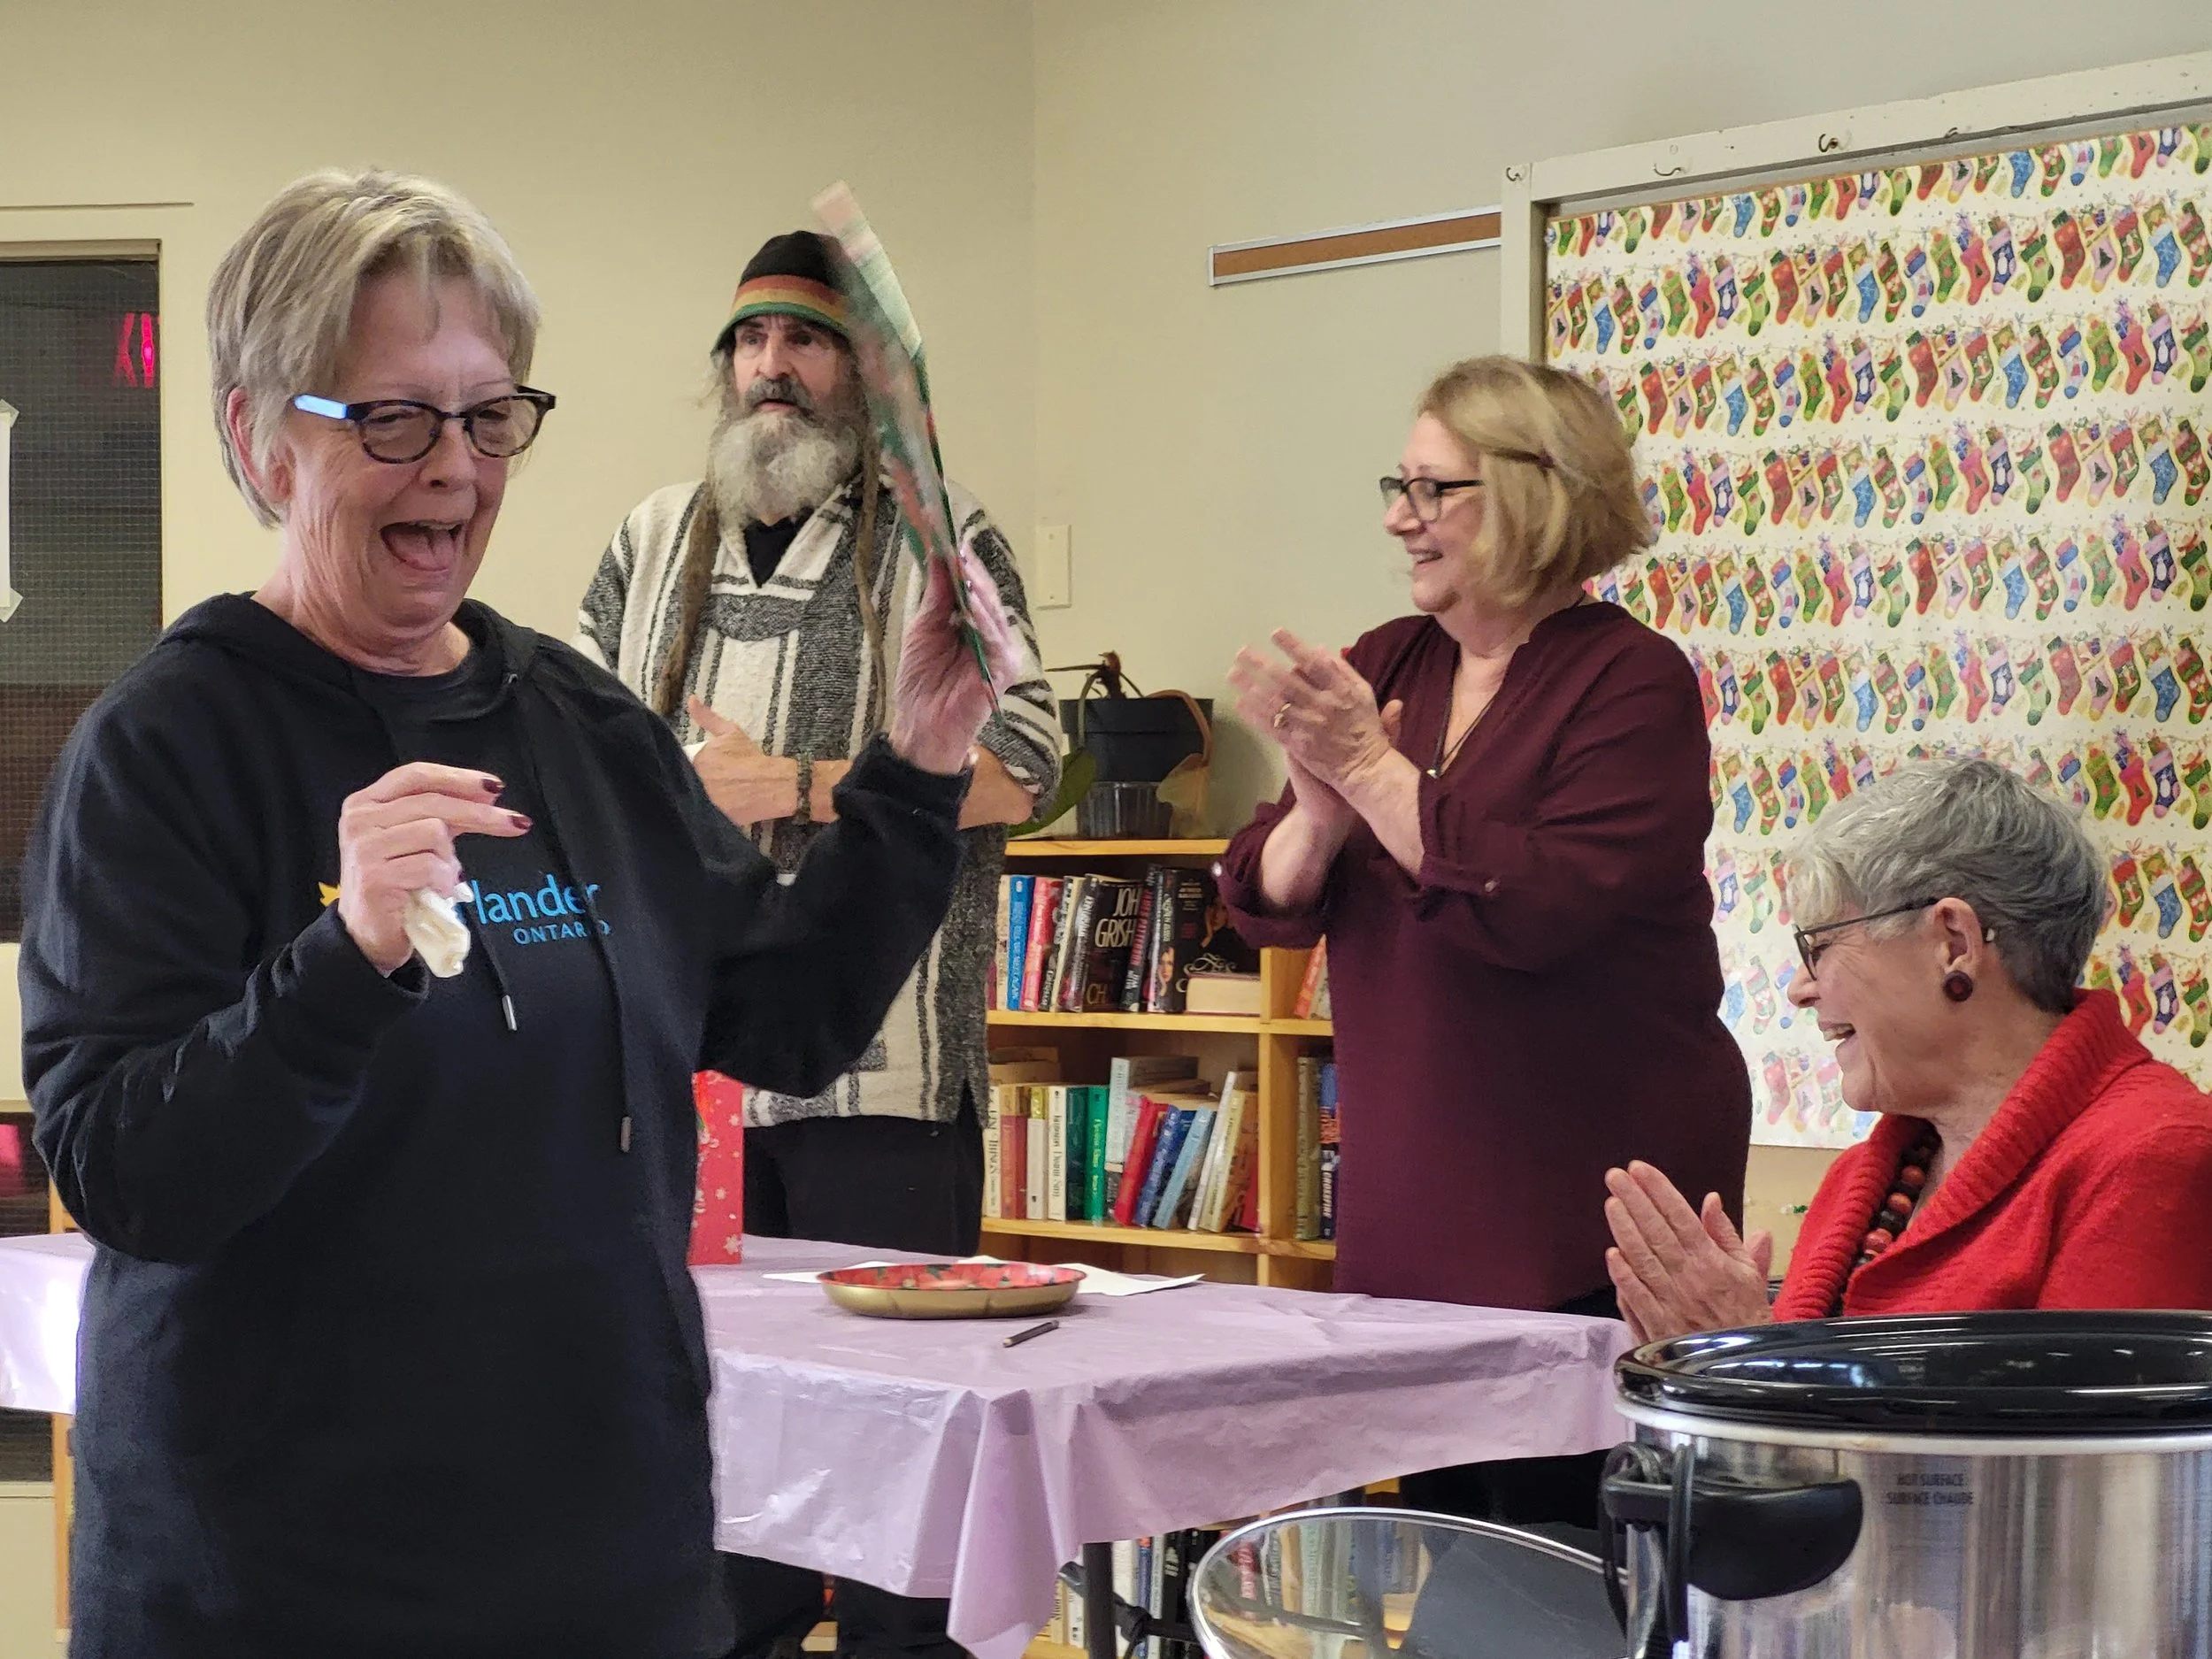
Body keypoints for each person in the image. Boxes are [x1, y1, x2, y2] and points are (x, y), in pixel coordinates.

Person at [18, 169, 1020, 1659]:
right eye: (395, 418)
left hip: (603, 1572)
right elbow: (125, 1173)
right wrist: (342, 960)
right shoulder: (171, 746)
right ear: (257, 437)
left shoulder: (574, 722)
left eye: (490, 418)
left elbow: (787, 1018)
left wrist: (921, 763)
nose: (457, 471)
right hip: (282, 1590)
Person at [576, 230, 1057, 1659]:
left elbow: (1030, 764)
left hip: (886, 1081)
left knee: (899, 1466)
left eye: (806, 340)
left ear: (860, 370)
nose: (771, 369)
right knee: (723, 1456)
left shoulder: (944, 537)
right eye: (750, 342)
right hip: (694, 1079)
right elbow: (588, 766)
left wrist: (793, 784)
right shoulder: (649, 539)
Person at [1216, 355, 1750, 1531]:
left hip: (1584, 1197)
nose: (1400, 517)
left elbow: (1543, 901)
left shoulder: (1630, 679)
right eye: (1396, 485)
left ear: (1534, 494)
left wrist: (1368, 769)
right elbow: (1265, 894)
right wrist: (1317, 809)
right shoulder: (1390, 658)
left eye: (1433, 488)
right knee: (1455, 1552)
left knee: (1578, 1554)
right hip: (1419, 1204)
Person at [1605, 757, 2212, 1341]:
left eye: (1819, 946)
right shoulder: (1865, 1175)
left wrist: (1744, 1365)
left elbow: (2072, 1443)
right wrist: (1719, 1366)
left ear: (1953, 942)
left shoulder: (2157, 1157)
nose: (1799, 989)